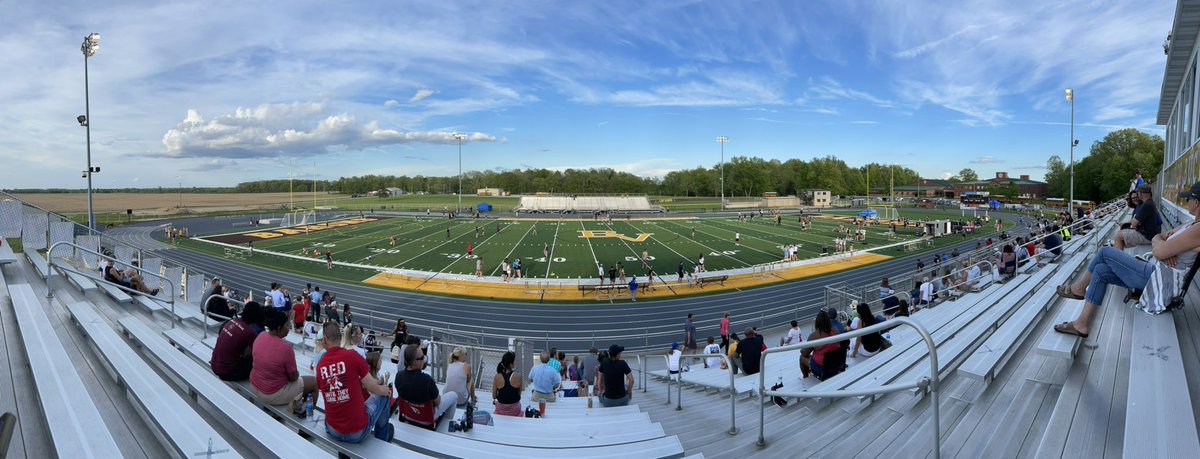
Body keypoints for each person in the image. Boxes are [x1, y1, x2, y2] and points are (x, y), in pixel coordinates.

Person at [1055, 181, 1200, 338]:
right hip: (1156, 272)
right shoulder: (1192, 224)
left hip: (1159, 280)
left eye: (1188, 199)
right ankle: (1081, 324)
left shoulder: (1198, 230)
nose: (1186, 202)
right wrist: (1163, 245)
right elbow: (1159, 238)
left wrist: (1164, 246)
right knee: (1100, 271)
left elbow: (1158, 250)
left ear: (1197, 202)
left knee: (1105, 252)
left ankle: (1078, 289)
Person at [317, 322, 394, 443]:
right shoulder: (352, 356)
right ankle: (382, 438)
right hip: (357, 433)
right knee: (384, 397)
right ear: (340, 337)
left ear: (325, 340)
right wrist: (385, 390)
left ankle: (343, 450)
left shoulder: (320, 365)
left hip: (332, 429)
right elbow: (374, 388)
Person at [251, 309, 316, 417]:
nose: (289, 328)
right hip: (270, 393)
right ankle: (305, 426)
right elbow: (293, 378)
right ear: (278, 328)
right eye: (287, 325)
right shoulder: (286, 348)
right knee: (314, 382)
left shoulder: (260, 335)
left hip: (255, 385)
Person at [396, 344, 458, 428]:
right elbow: (438, 402)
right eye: (422, 358)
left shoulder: (398, 376)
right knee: (454, 395)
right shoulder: (427, 380)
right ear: (414, 362)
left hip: (408, 415)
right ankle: (446, 425)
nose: (424, 359)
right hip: (426, 420)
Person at [210, 301, 264, 381]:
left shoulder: (231, 321)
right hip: (227, 372)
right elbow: (259, 353)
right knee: (256, 362)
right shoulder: (249, 332)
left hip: (214, 364)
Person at [1115, 185, 1160, 250]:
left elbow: (1133, 224)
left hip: (1148, 236)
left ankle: (1117, 259)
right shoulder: (1149, 203)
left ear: (1142, 194)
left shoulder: (1147, 205)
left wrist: (1136, 222)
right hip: (1150, 234)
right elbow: (1135, 222)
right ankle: (1120, 256)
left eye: (1138, 193)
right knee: (1121, 237)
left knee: (1118, 236)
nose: (1138, 195)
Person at [800, 310, 842, 379]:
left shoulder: (814, 336)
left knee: (801, 358)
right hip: (836, 364)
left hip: (822, 368)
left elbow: (805, 354)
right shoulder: (836, 330)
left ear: (817, 323)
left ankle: (805, 377)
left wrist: (802, 350)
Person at [492, 351, 523, 417]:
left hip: (500, 409)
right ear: (511, 364)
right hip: (514, 410)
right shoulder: (519, 376)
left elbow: (494, 396)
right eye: (514, 361)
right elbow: (519, 393)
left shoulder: (497, 376)